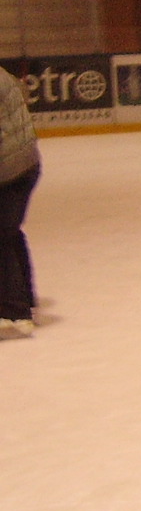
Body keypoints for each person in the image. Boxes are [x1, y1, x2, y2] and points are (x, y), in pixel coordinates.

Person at [0, 63, 40, 340]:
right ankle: (24, 299)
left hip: (10, 170)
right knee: (8, 233)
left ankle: (15, 309)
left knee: (2, 235)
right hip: (25, 164)